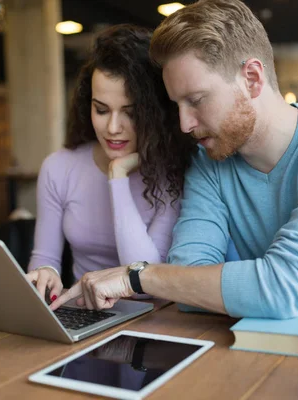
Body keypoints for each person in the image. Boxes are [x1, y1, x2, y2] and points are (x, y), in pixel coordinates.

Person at [52, 0, 298, 326]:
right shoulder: (210, 161)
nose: (184, 124)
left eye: (196, 100)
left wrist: (139, 278)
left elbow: (278, 287)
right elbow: (188, 287)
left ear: (252, 78)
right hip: (275, 347)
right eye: (177, 105)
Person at [25, 24, 195, 302]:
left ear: (154, 113)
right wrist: (45, 273)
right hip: (85, 315)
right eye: (101, 110)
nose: (113, 127)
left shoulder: (174, 173)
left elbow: (144, 284)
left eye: (130, 113)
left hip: (154, 322)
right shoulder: (58, 168)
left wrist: (117, 176)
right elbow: (44, 257)